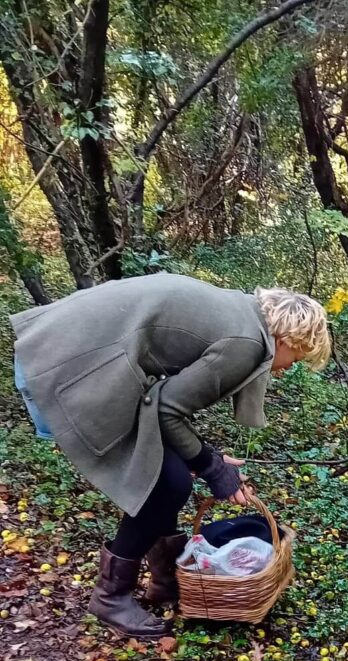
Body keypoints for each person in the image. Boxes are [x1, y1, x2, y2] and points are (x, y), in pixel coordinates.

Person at [10, 274, 331, 640]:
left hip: (61, 351)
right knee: (167, 481)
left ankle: (166, 581)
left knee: (172, 473)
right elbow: (165, 410)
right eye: (297, 357)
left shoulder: (244, 315)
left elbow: (168, 404)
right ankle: (111, 596)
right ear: (288, 338)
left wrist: (202, 456)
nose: (289, 367)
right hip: (65, 364)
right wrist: (209, 466)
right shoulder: (246, 342)